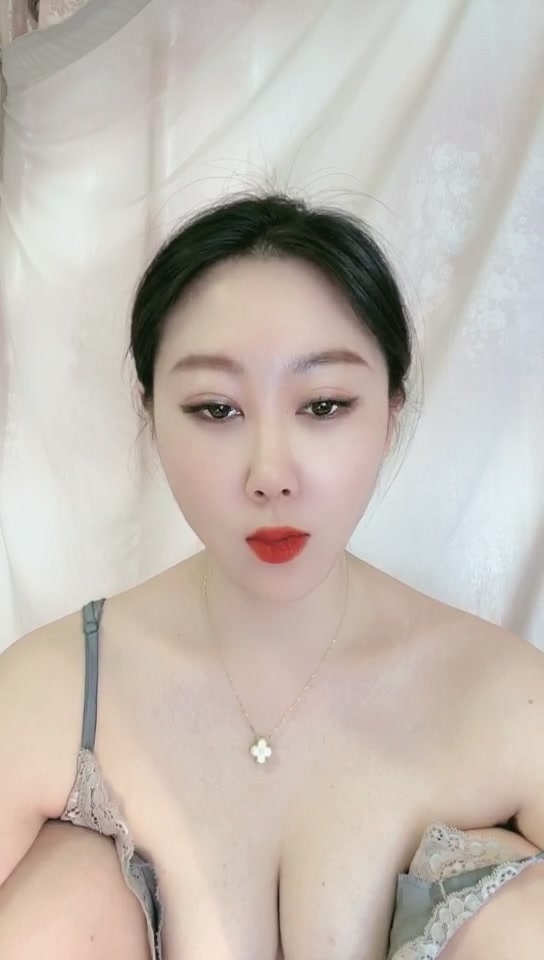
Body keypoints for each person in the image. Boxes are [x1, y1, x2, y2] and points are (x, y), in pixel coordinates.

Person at [0, 191, 543, 960]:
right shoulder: (52, 693)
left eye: (323, 405)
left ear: (391, 409)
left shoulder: (508, 701)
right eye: (216, 410)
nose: (271, 475)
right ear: (150, 412)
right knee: (69, 888)